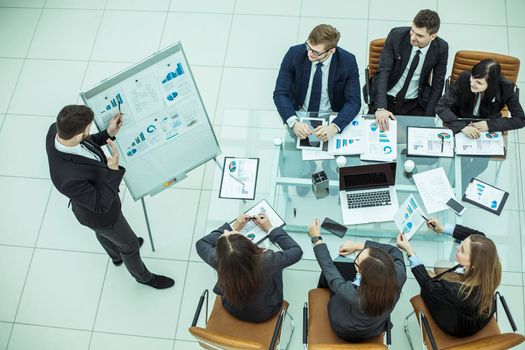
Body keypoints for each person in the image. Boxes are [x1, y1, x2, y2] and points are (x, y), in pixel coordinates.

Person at [45, 105, 174, 289]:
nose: (90, 132)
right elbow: (101, 206)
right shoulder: (67, 178)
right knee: (130, 246)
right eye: (88, 129)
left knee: (106, 235)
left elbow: (87, 144)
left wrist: (108, 133)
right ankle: (144, 277)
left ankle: (115, 256)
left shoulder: (56, 130)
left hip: (91, 208)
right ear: (77, 136)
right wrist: (113, 170)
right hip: (101, 216)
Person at [396, 217, 502, 337]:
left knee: (429, 275)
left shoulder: (451, 291)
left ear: (472, 265)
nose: (457, 248)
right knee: (436, 269)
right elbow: (478, 236)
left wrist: (409, 251)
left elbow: (427, 286)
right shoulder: (488, 266)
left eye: (462, 250)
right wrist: (442, 228)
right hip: (475, 314)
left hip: (456, 327)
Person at [308, 219, 406, 342]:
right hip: (374, 328)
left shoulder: (352, 293)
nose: (356, 255)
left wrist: (316, 238)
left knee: (335, 267)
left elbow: (329, 270)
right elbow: (396, 251)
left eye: (357, 259)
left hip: (344, 329)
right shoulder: (400, 275)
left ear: (361, 272)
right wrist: (358, 246)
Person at [196, 213, 303, 322]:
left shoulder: (218, 259)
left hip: (232, 309)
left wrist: (233, 226)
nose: (226, 231)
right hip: (266, 312)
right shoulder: (267, 261)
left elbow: (201, 244)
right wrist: (270, 229)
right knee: (276, 268)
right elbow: (296, 251)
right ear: (249, 245)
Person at [273, 24, 361, 141]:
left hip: (331, 118)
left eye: (316, 52)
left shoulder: (347, 61)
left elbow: (354, 101)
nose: (309, 53)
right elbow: (280, 93)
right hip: (299, 115)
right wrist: (294, 122)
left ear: (331, 51)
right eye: (308, 47)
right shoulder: (294, 54)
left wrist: (334, 126)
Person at [372, 9, 448, 130]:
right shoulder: (396, 35)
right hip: (386, 97)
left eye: (419, 35)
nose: (412, 37)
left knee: (415, 141)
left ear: (432, 36)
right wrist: (381, 107)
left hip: (415, 102)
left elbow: (437, 84)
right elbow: (383, 70)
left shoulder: (441, 48)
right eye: (412, 31)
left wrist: (429, 118)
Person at [436, 59, 525, 138]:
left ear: (491, 84)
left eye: (479, 82)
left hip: (487, 122)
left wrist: (489, 125)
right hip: (460, 118)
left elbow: (520, 119)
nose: (472, 84)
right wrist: (462, 126)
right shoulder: (465, 78)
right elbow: (441, 107)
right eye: (473, 77)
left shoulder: (506, 87)